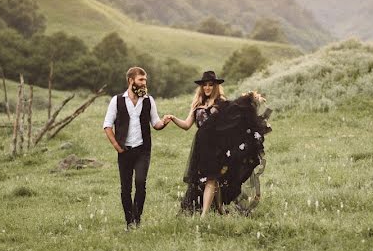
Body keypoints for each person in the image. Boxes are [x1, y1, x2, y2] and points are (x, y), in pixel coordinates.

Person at [165, 70, 271, 217]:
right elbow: (186, 125)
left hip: (217, 145)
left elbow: (234, 116)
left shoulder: (221, 101)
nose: (207, 88)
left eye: (210, 85)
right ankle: (220, 209)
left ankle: (204, 215)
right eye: (205, 85)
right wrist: (173, 118)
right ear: (201, 87)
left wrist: (249, 98)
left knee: (212, 178)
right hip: (201, 146)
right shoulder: (197, 104)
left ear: (215, 86)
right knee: (210, 178)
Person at [102, 66, 170, 229]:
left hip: (142, 150)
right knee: (125, 188)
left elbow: (155, 123)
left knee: (140, 183)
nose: (144, 83)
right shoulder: (117, 100)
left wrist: (164, 122)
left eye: (145, 80)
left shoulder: (148, 100)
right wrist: (117, 146)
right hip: (124, 150)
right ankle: (129, 222)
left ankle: (137, 220)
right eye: (141, 80)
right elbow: (107, 125)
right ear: (131, 80)